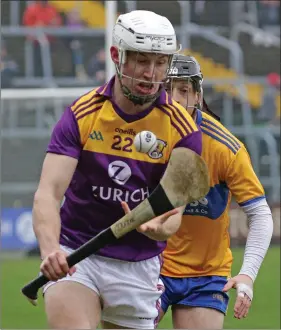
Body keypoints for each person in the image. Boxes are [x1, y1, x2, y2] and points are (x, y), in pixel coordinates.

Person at [33, 11, 206, 330]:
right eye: (141, 60)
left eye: (159, 63)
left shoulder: (183, 129)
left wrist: (159, 227)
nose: (150, 74)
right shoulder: (82, 115)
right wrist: (50, 250)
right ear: (116, 55)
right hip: (77, 252)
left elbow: (175, 214)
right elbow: (48, 193)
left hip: (139, 267)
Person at [159, 54, 273, 329]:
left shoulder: (226, 149)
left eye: (185, 91)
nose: (176, 100)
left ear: (198, 96)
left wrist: (247, 275)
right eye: (170, 90)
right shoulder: (144, 138)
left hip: (206, 274)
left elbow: (260, 214)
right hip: (150, 266)